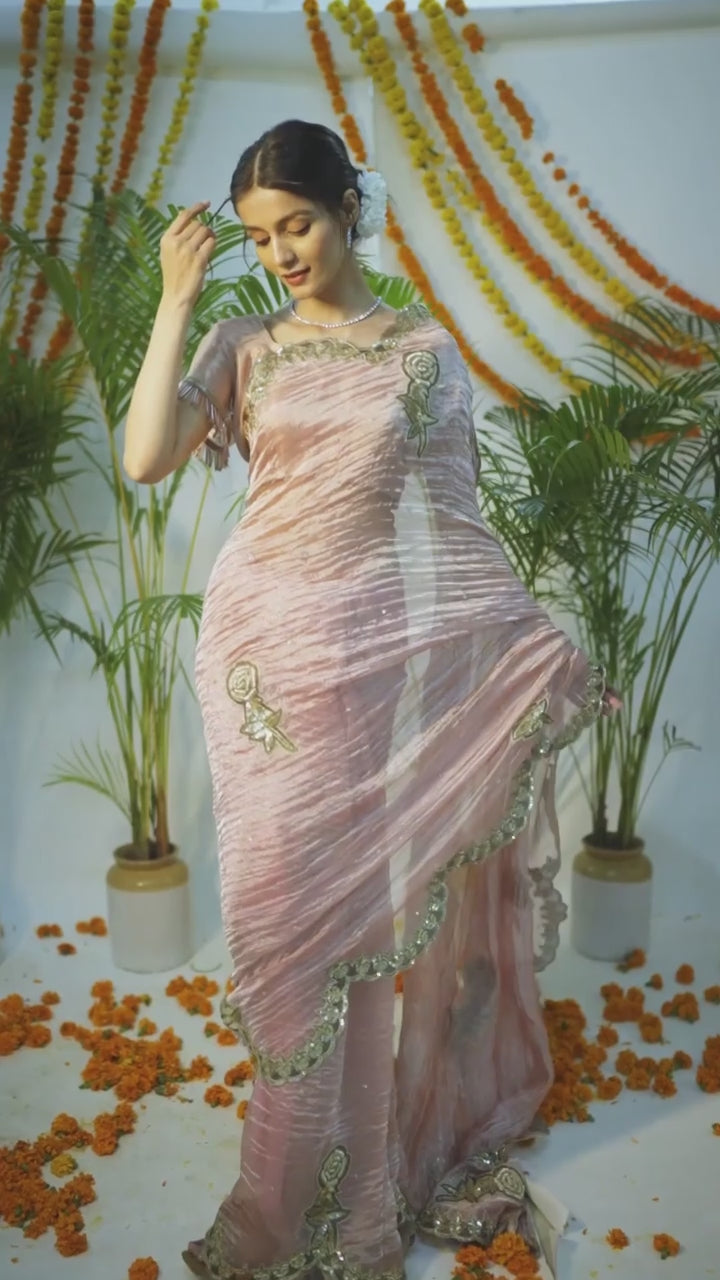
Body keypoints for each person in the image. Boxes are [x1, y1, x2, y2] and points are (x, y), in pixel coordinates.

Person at [124, 119, 619, 1280]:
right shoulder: (244, 342)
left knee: (343, 931)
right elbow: (145, 456)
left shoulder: (422, 353)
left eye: (296, 224)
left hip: (358, 665)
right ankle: (277, 1204)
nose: (281, 254)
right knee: (278, 929)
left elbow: (456, 526)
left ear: (349, 205)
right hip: (255, 659)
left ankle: (350, 1206)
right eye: (259, 237)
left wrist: (524, 644)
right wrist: (176, 302)